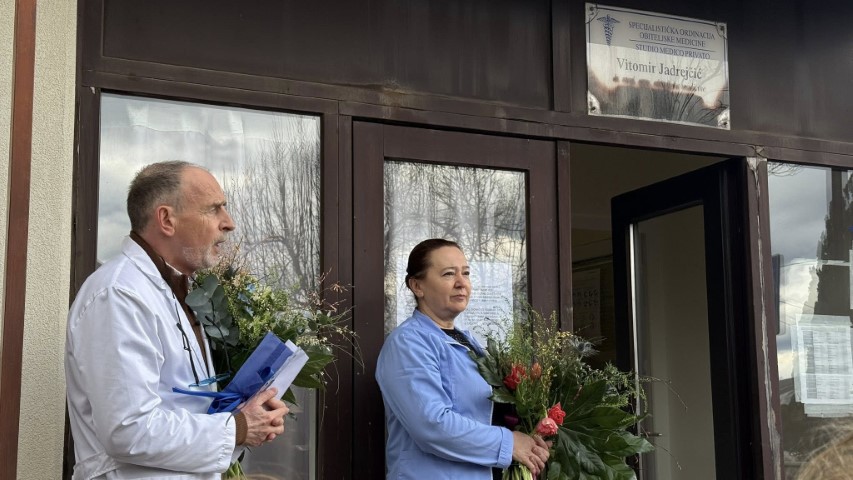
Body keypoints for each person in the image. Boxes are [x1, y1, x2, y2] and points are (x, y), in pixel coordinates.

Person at [65, 161, 289, 479]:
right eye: (214, 209)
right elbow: (128, 430)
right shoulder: (119, 293)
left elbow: (183, 407)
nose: (229, 223)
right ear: (167, 220)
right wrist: (237, 427)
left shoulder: (176, 290)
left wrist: (249, 416)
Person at [376, 239, 550, 479]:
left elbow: (484, 413)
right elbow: (431, 425)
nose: (461, 283)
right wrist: (509, 443)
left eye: (465, 273)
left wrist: (530, 434)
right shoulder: (407, 343)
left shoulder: (467, 341)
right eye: (448, 274)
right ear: (417, 286)